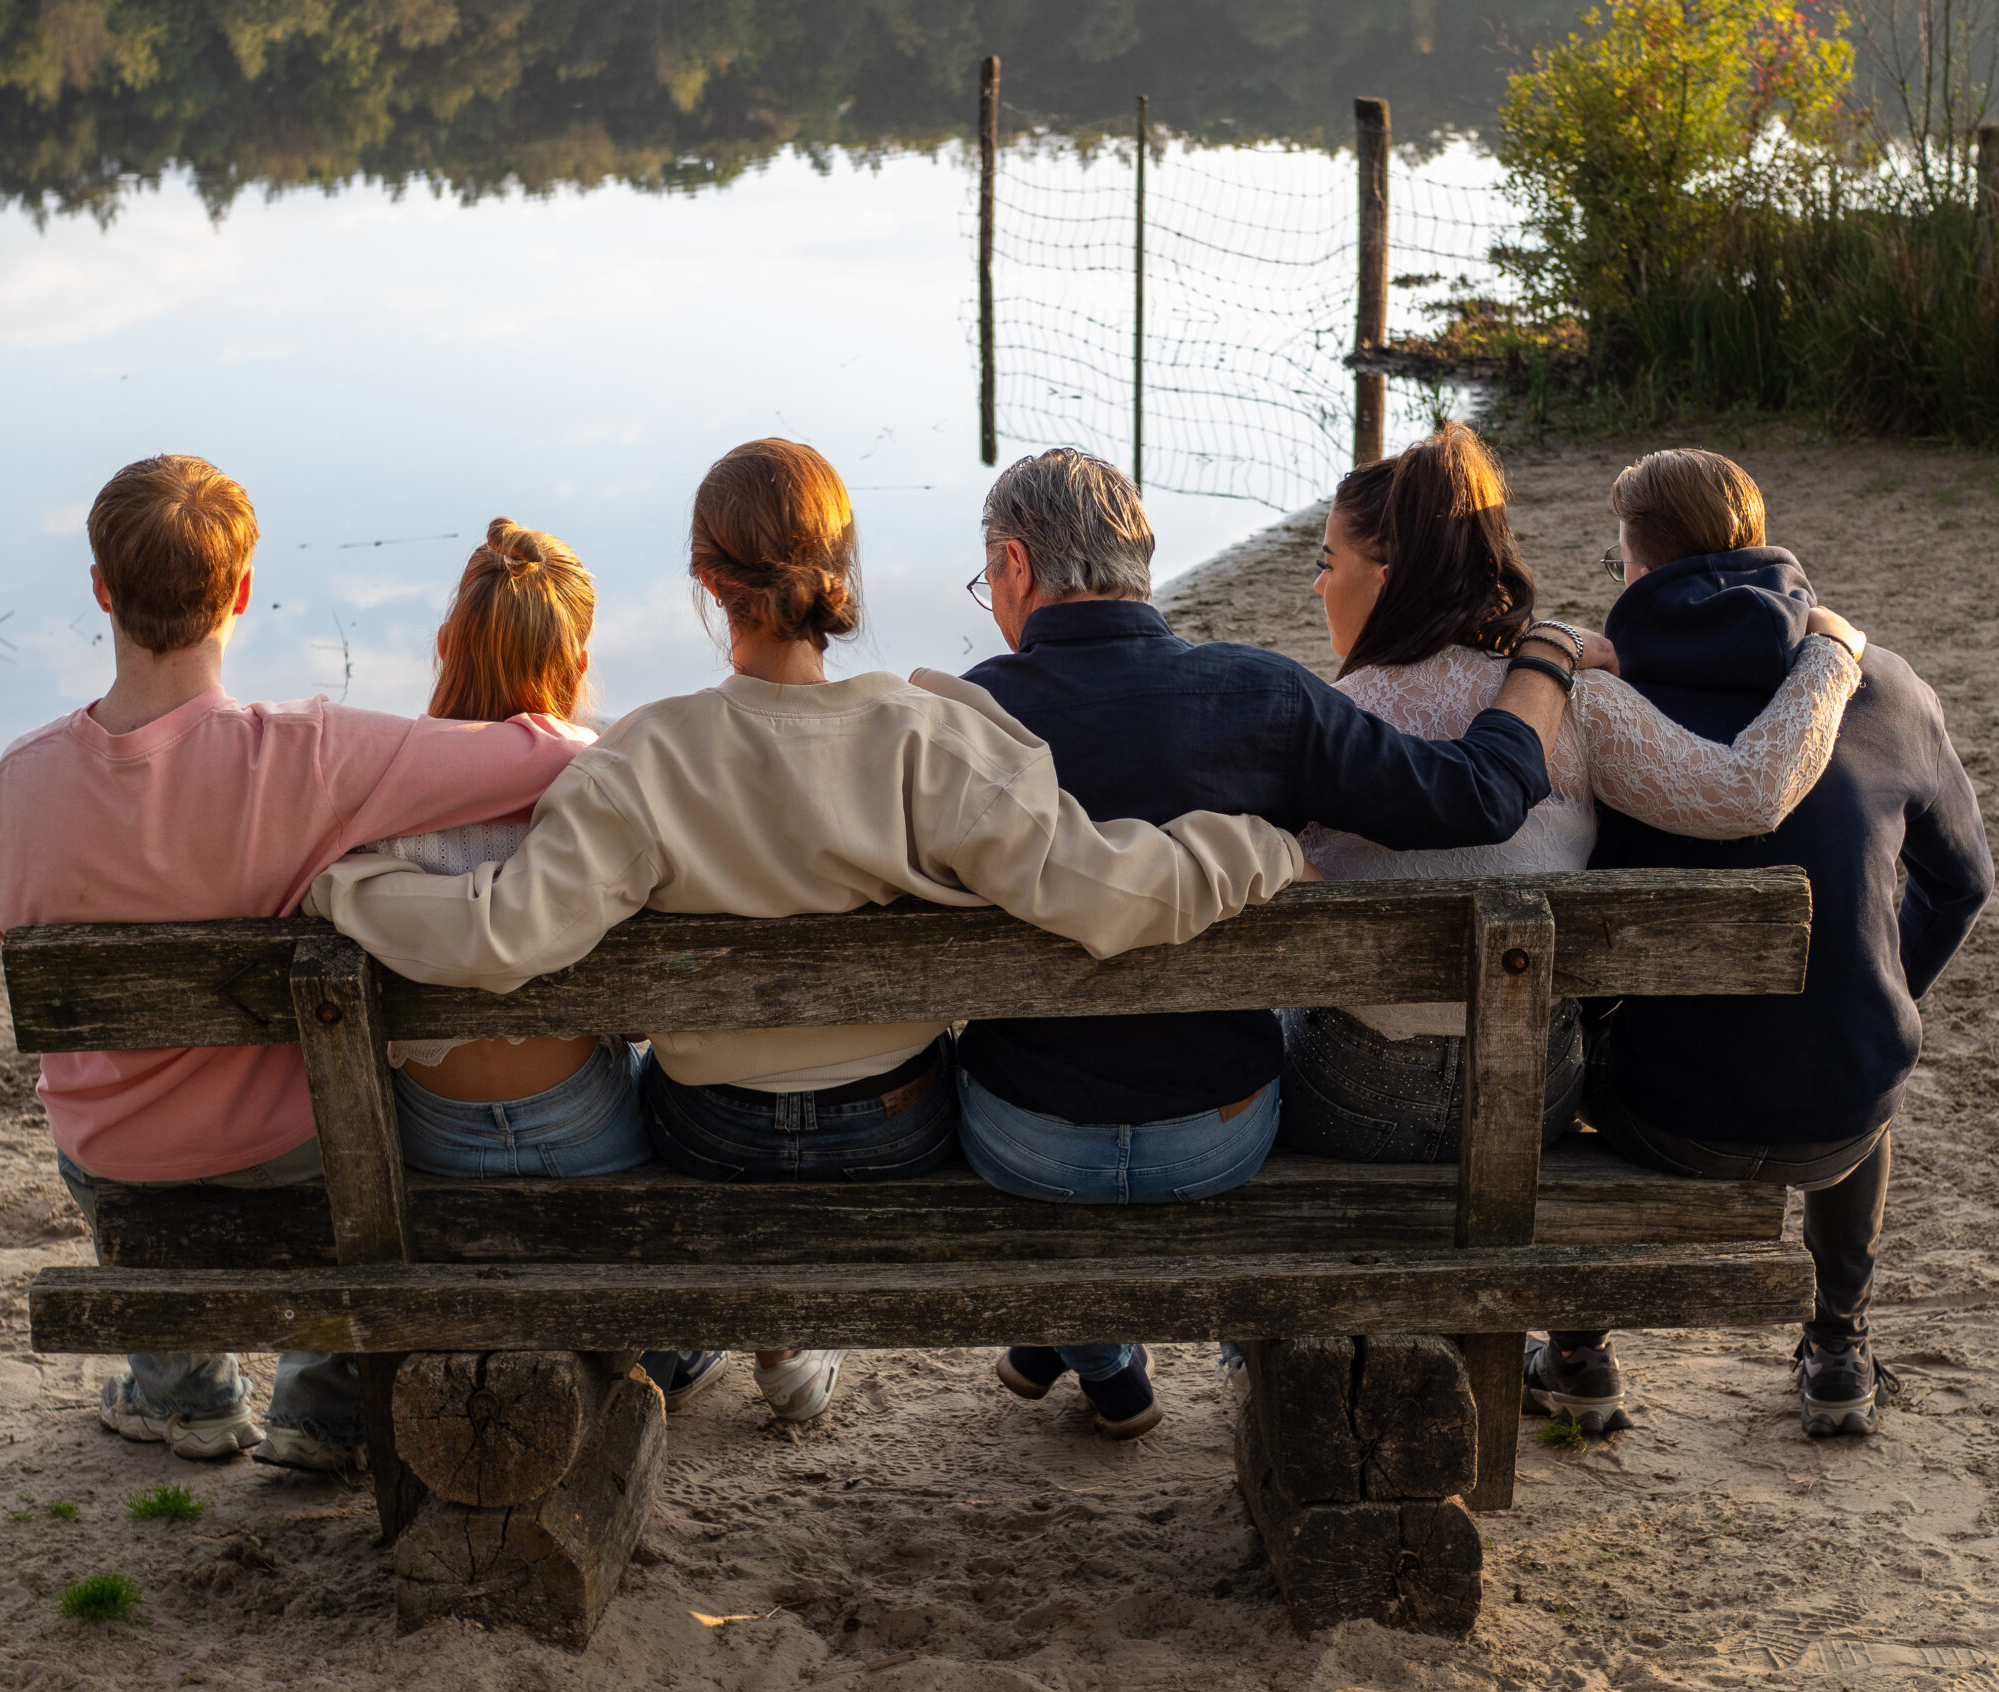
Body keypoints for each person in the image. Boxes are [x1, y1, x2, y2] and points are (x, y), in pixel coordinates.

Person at [306, 438, 1308, 1427]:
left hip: (717, 1136)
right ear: (842, 571)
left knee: (646, 1082)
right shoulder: (928, 736)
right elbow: (1107, 894)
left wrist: (344, 890)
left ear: (706, 580)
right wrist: (1258, 850)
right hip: (896, 1129)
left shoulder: (642, 758)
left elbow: (504, 938)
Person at [957, 446, 1581, 1440]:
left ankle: (1089, 1347)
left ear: (1017, 567)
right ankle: (1080, 1343)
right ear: (1139, 561)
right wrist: (1543, 663)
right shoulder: (1262, 696)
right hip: (1220, 1136)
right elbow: (1479, 794)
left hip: (1021, 1144)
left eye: (988, 574)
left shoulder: (964, 720)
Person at [0, 454, 589, 1471]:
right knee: (368, 1133)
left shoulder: (23, 778)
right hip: (288, 1152)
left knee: (101, 1143)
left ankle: (185, 1399)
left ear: (100, 589)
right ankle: (318, 1410)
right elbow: (545, 750)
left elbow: (13, 938)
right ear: (244, 591)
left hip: (115, 1156)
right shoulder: (305, 757)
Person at [1540, 448, 1990, 1439]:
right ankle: (1836, 1344)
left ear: (1635, 566)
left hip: (1671, 1113)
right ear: (1754, 546)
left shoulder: (1608, 706)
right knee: (1857, 1050)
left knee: (1575, 1050)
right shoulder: (1888, 685)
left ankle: (1577, 1353)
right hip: (1838, 1113)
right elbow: (1966, 883)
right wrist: (1887, 985)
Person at [1287, 425, 1866, 1172]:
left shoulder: (1323, 715)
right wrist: (1830, 654)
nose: (1318, 584)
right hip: (1532, 1094)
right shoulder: (1579, 705)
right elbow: (1751, 792)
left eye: (1328, 564)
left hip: (1350, 1099)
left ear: (1390, 575)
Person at [356, 517, 724, 1406]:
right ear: (580, 658)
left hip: (430, 1130)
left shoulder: (375, 784)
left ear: (446, 643)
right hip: (582, 1126)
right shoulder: (603, 780)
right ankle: (676, 1351)